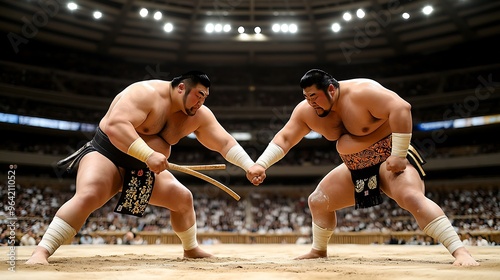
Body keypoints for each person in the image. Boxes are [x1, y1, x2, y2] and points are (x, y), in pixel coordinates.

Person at [246, 69, 479, 266]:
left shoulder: (363, 92)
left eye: (314, 96)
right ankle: (318, 250)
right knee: (318, 200)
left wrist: (398, 155)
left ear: (331, 90)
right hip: (356, 167)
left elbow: (401, 108)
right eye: (307, 97)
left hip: (390, 160)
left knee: (411, 197)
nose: (311, 103)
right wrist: (261, 164)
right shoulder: (307, 111)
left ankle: (460, 251)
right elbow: (285, 138)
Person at [26, 71, 255, 265]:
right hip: (108, 156)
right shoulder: (145, 93)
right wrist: (148, 154)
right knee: (90, 193)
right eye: (198, 95)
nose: (200, 102)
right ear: (181, 88)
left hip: (143, 172)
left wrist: (249, 166)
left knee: (183, 199)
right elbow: (116, 126)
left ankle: (191, 248)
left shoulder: (198, 116)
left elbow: (224, 142)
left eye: (205, 98)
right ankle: (42, 251)